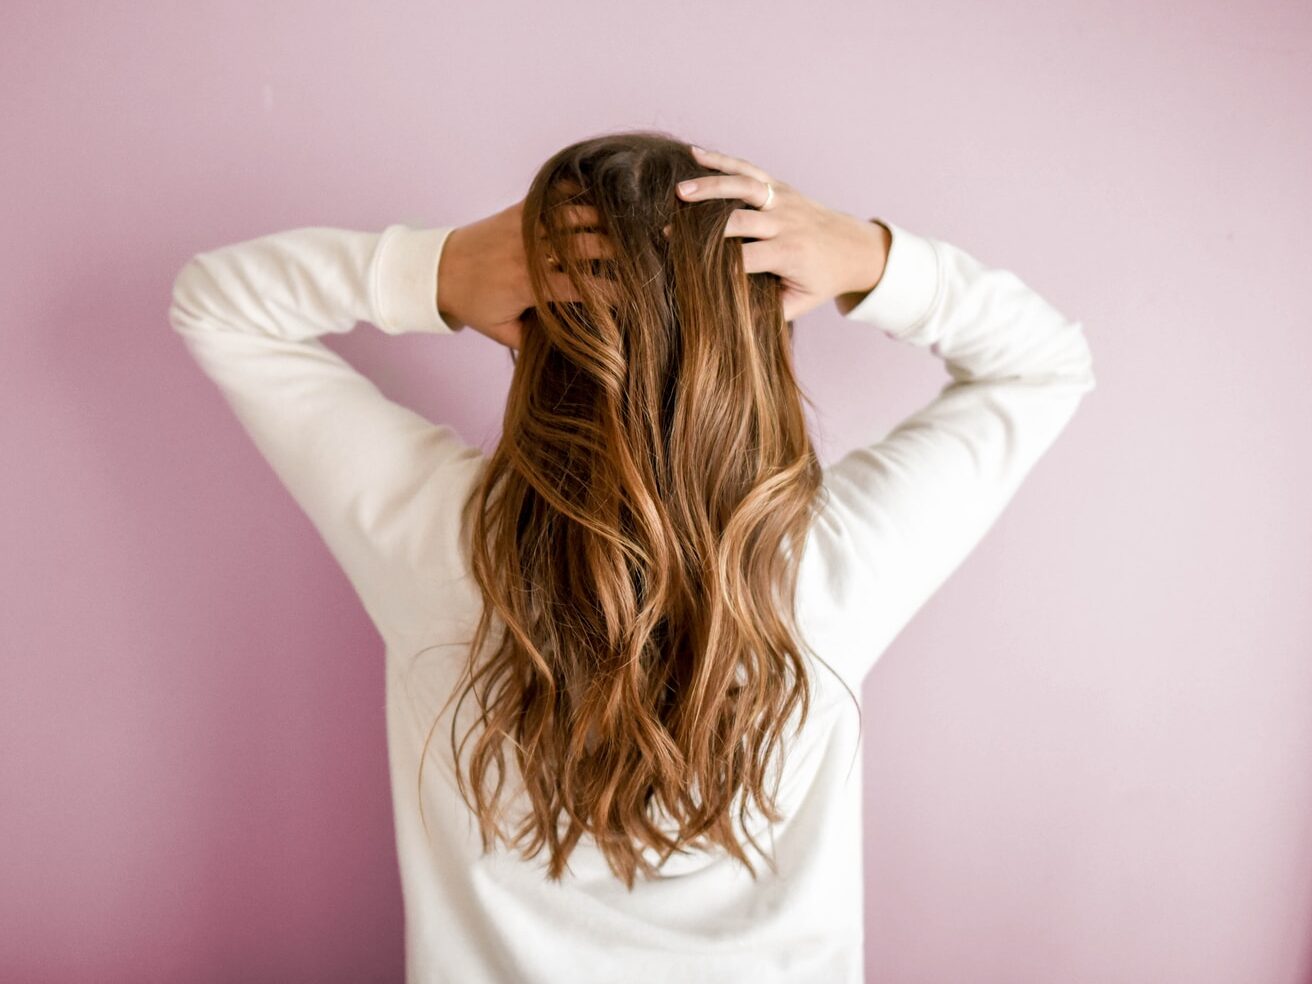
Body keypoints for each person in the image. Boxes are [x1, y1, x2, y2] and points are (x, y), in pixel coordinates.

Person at [167, 131, 1096, 984]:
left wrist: (439, 269)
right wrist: (867, 258)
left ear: (530, 327)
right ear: (764, 338)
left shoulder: (442, 544)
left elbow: (217, 304)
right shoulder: (827, 568)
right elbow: (1045, 363)